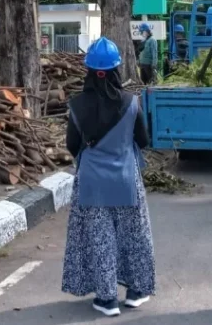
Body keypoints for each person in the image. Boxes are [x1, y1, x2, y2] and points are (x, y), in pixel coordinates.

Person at [62, 38, 156, 318]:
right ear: (116, 69)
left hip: (92, 183)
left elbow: (71, 145)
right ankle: (136, 291)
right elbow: (144, 140)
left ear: (89, 71)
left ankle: (107, 298)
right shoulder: (131, 102)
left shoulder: (77, 105)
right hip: (127, 179)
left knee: (100, 238)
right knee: (134, 235)